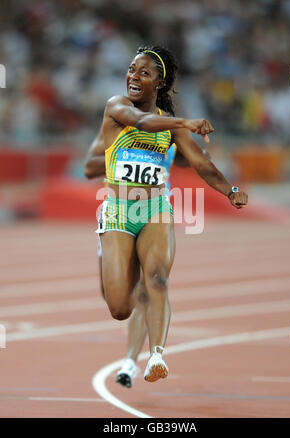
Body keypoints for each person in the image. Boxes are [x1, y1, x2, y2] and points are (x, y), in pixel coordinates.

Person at [85, 45, 248, 384]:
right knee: (119, 308)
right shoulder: (116, 107)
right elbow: (142, 121)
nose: (133, 76)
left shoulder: (172, 129)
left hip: (156, 208)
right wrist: (186, 121)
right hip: (117, 209)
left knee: (157, 278)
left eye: (144, 73)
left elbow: (202, 163)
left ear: (158, 84)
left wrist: (230, 191)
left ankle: (156, 356)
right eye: (132, 69)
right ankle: (119, 266)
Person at [85, 141, 191, 387]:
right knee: (118, 302)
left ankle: (133, 361)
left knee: (151, 285)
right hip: (118, 213)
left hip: (154, 214)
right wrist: (125, 162)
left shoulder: (171, 135)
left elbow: (197, 157)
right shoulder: (120, 127)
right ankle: (132, 358)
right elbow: (89, 166)